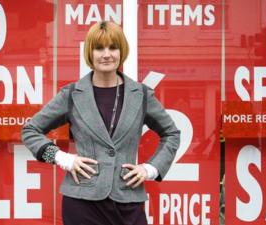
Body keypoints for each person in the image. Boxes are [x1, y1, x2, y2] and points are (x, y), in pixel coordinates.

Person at [21, 21, 180, 225]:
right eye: (99, 48)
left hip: (128, 199)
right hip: (81, 202)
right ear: (90, 53)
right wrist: (63, 158)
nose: (106, 54)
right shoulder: (72, 94)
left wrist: (150, 169)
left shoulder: (140, 95)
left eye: (113, 47)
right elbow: (30, 130)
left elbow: (171, 133)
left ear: (121, 51)